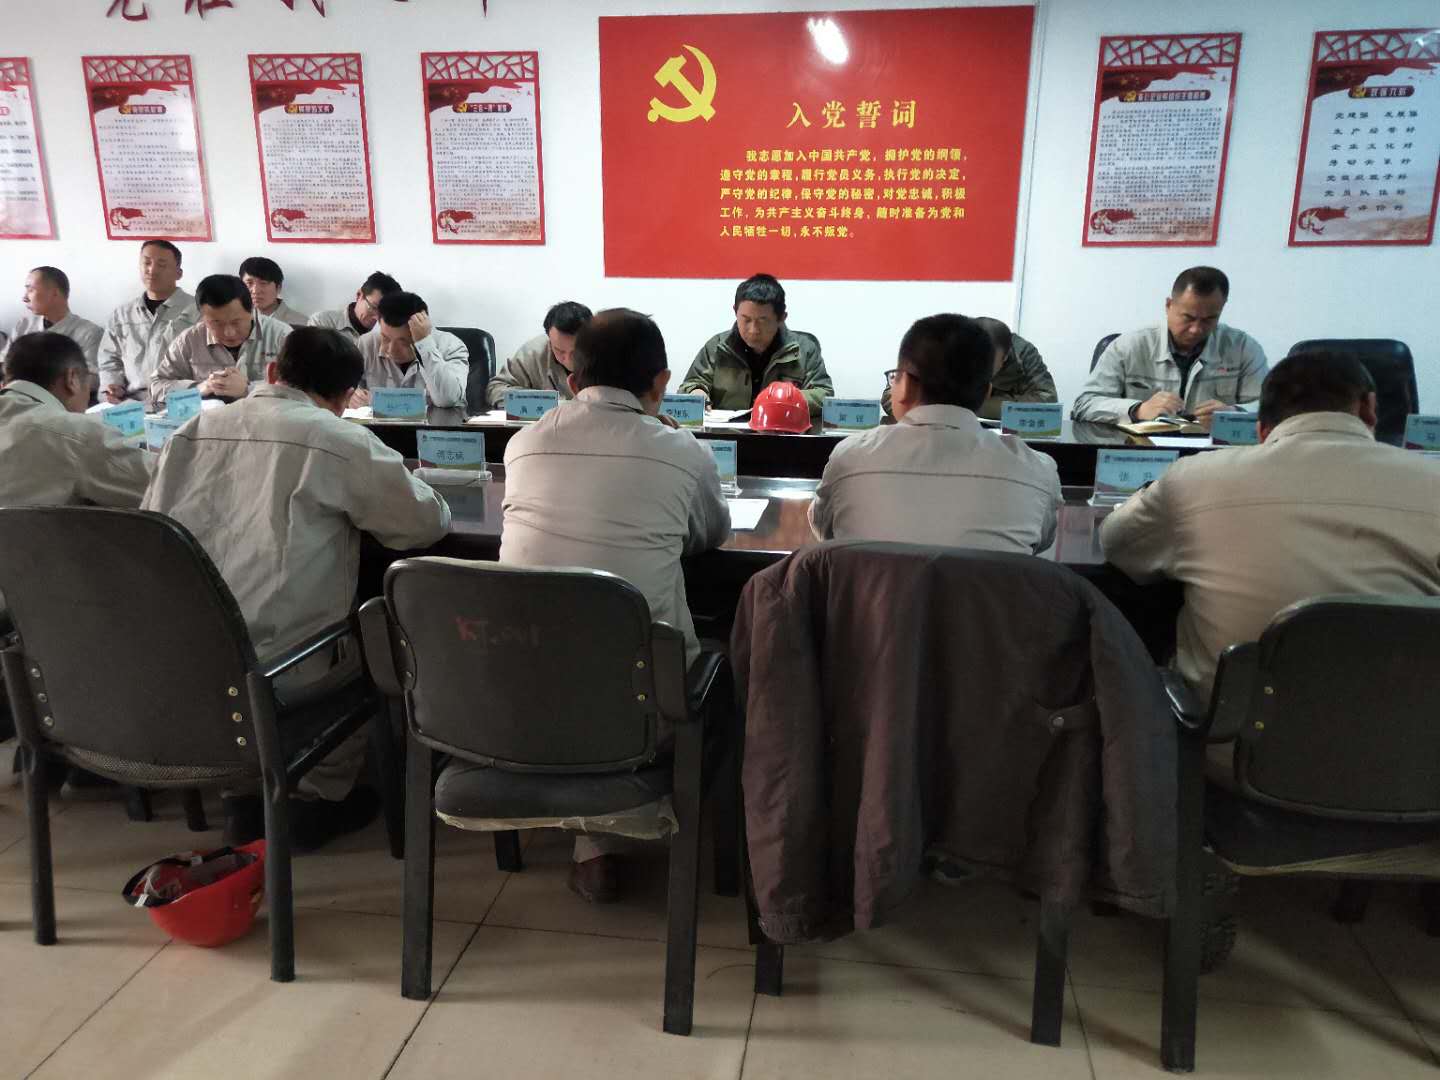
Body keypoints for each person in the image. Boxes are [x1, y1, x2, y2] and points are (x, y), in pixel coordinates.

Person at [142, 327, 452, 848]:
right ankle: (312, 800)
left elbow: (151, 522)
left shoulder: (191, 431)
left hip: (181, 662)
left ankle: (242, 794)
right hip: (280, 670)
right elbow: (425, 523)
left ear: (271, 373)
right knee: (375, 644)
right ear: (346, 397)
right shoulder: (337, 439)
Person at [501, 308, 730, 902]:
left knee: (575, 642)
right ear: (662, 383)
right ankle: (709, 844)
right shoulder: (683, 452)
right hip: (643, 706)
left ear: (573, 380)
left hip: (514, 698)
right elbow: (710, 535)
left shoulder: (523, 444)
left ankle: (594, 843)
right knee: (715, 657)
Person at [1101, 351, 1440, 700]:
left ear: (1261, 429)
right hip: (1408, 727)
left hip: (1231, 728)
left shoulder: (1194, 478)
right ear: (1369, 407)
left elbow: (1116, 544)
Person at [0, 331, 152, 792]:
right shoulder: (70, 433)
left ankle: (39, 742)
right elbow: (160, 490)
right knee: (139, 585)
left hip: (12, 603)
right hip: (32, 607)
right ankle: (98, 752)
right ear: (71, 379)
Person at [811, 314, 1061, 552]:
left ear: (904, 385)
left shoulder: (850, 458)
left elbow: (826, 532)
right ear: (986, 393)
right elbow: (1040, 543)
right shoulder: (1038, 471)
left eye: (894, 377)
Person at [1072, 266, 1268, 427]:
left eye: (1209, 319)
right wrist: (1137, 410)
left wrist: (1234, 414)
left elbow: (1271, 411)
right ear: (1168, 305)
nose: (1196, 329)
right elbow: (1084, 404)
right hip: (1140, 451)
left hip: (1214, 455)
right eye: (1188, 317)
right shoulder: (1129, 346)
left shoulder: (1244, 349)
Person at [680, 273, 833, 415]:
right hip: (727, 432)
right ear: (735, 312)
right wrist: (696, 393)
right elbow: (690, 385)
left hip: (781, 431)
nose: (753, 330)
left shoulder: (804, 350)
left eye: (762, 321)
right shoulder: (717, 347)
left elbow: (824, 396)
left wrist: (788, 398)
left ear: (781, 318)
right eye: (746, 319)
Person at [150, 274, 291, 409]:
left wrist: (249, 389)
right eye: (217, 323)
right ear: (202, 317)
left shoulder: (282, 336)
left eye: (236, 322)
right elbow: (156, 386)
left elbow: (300, 389)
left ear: (252, 310)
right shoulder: (189, 340)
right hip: (208, 422)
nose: (229, 332)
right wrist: (198, 388)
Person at [881, 316, 1056, 422]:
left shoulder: (1022, 353)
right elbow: (891, 397)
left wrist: (967, 403)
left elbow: (1046, 405)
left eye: (987, 360)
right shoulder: (948, 345)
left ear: (1004, 358)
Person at [98, 240, 198, 407]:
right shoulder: (121, 315)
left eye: (161, 264)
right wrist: (113, 386)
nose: (152, 270)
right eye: (147, 263)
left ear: (178, 273)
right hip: (131, 402)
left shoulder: (197, 311)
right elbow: (109, 359)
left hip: (181, 400)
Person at [352, 291, 468, 409]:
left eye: (404, 343)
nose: (392, 350)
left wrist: (424, 344)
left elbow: (447, 400)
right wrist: (351, 397)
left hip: (435, 421)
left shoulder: (451, 346)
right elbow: (345, 389)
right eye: (385, 338)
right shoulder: (366, 344)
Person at [1, 267, 105, 389]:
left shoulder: (89, 332)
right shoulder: (24, 325)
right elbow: (5, 362)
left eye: (31, 290)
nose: (24, 298)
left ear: (54, 293)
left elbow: (92, 380)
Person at [486, 300, 592, 408]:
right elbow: (496, 388)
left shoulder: (602, 352)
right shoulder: (532, 353)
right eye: (559, 351)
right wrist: (542, 401)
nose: (568, 359)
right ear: (549, 338)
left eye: (575, 352)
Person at [308, 270, 402, 343]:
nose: (377, 318)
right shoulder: (323, 322)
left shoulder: (380, 343)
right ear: (359, 295)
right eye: (373, 307)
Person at [238, 256, 309, 327]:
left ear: (278, 288)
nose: (255, 291)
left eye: (263, 283)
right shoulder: (235, 321)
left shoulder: (302, 324)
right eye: (249, 283)